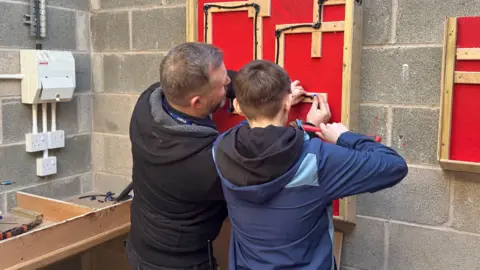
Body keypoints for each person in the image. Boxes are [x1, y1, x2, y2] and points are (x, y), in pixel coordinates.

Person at [126, 42, 312, 270]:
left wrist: (266, 92)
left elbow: (221, 80)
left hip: (141, 241)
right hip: (178, 263)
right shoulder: (201, 164)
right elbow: (266, 157)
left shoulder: (149, 101)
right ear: (197, 102)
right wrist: (292, 118)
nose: (228, 82)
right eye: (223, 85)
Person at [211, 60, 409, 270]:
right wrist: (345, 137)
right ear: (288, 102)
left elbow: (260, 139)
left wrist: (304, 124)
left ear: (238, 106)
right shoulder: (318, 159)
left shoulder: (221, 148)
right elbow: (394, 165)